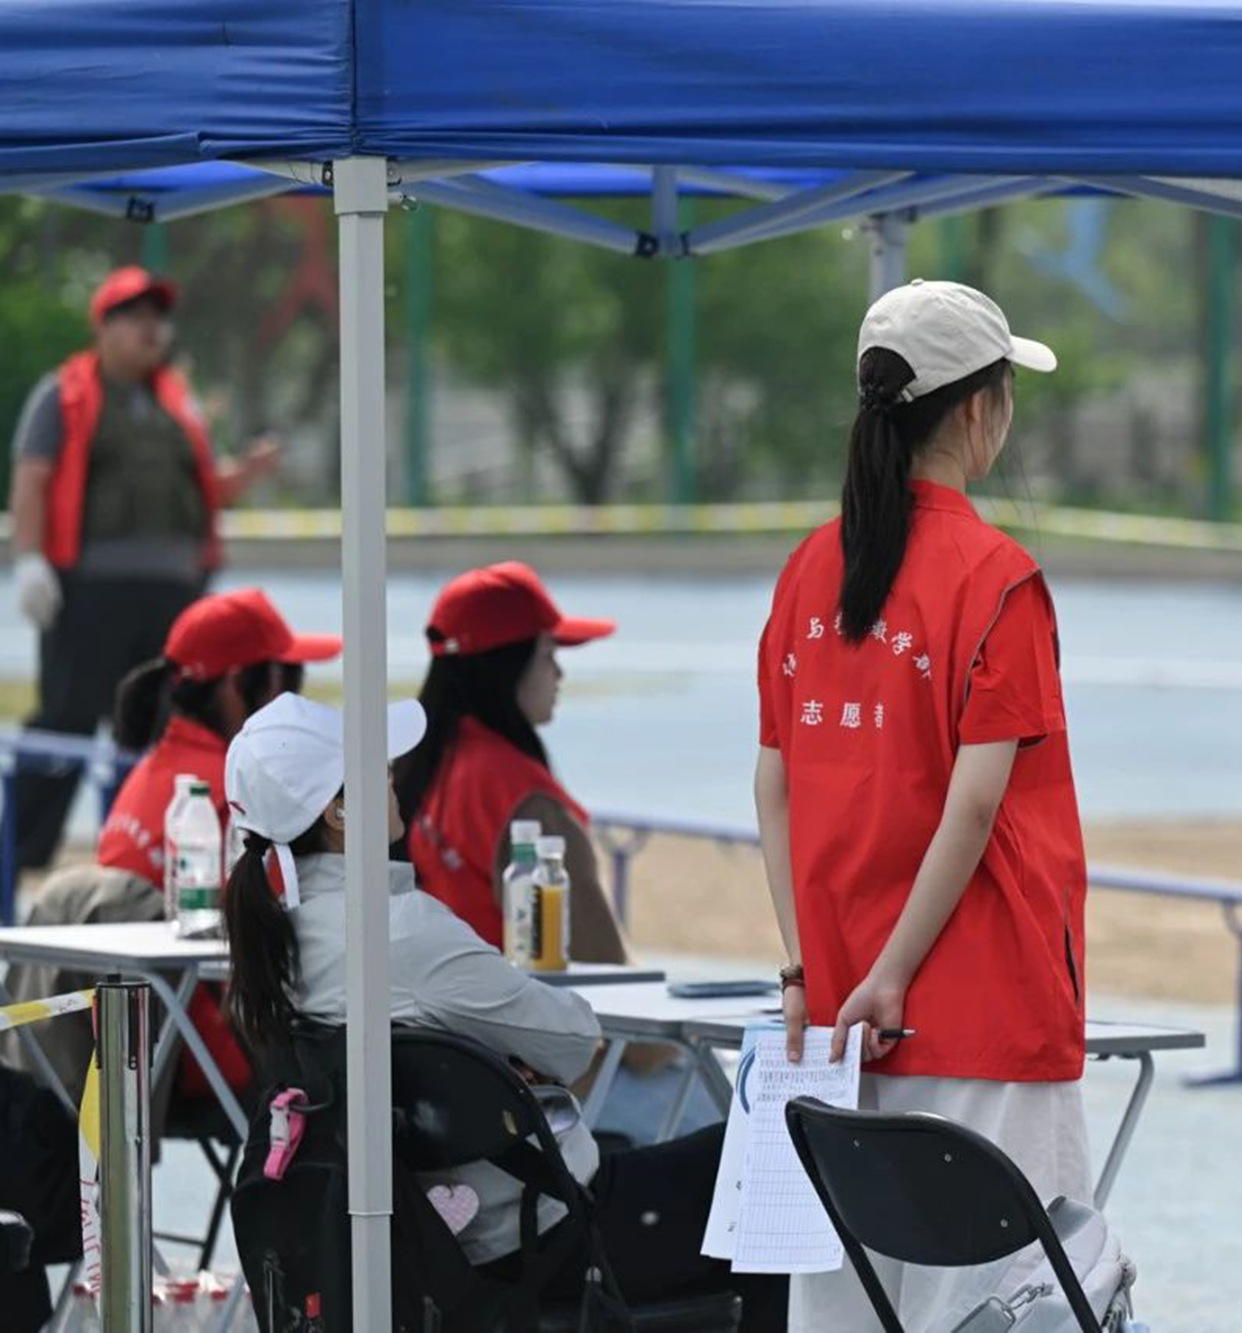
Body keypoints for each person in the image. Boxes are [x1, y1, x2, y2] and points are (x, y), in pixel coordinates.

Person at [219, 694, 784, 1326]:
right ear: (338, 811)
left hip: (423, 1236)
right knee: (774, 1167)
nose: (393, 774)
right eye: (376, 767)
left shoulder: (276, 941)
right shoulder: (399, 932)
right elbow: (573, 1041)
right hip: (537, 1239)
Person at [753, 280, 1090, 1329]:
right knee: (994, 1310)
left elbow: (774, 783)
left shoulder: (809, 569)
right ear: (980, 408)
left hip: (837, 1021)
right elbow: (973, 803)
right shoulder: (997, 578)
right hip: (979, 1012)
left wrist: (809, 967)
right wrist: (895, 973)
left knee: (843, 1310)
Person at [8, 266, 281, 870]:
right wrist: (28, 560)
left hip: (173, 599)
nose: (150, 328)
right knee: (67, 721)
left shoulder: (177, 403)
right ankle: (18, 857)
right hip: (89, 594)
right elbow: (32, 476)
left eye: (157, 317)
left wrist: (247, 473)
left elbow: (205, 486)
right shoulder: (64, 394)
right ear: (103, 327)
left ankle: (156, 850)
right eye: (134, 317)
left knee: (167, 726)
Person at [98, 586, 338, 1096]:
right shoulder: (239, 792)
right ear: (238, 684)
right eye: (289, 678)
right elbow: (302, 930)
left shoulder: (147, 776)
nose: (295, 699)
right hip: (212, 1061)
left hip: (134, 1052)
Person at [393, 562, 632, 963]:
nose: (559, 673)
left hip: (427, 995)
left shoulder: (412, 769)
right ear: (508, 665)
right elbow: (599, 961)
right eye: (548, 653)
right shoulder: (516, 792)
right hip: (500, 1000)